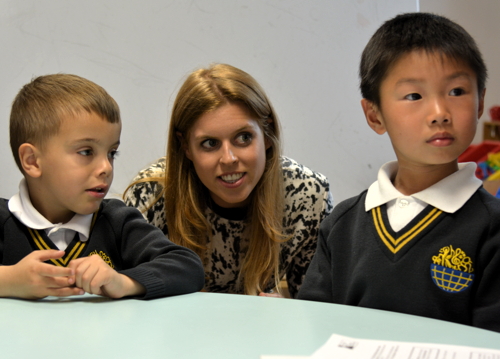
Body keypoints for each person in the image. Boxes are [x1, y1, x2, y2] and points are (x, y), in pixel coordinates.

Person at [298, 12, 500, 332]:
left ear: (479, 103)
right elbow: (314, 328)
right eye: (414, 96)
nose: (439, 113)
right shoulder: (342, 224)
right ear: (374, 115)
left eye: (457, 91)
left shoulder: (492, 228)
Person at [124, 63, 333, 297]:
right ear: (186, 147)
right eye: (210, 144)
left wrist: (288, 310)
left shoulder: (309, 195)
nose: (229, 158)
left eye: (243, 138)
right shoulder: (152, 194)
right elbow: (123, 297)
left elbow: (318, 308)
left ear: (267, 134)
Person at [0, 74, 204, 300]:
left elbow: (187, 267)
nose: (106, 167)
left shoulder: (117, 222)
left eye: (111, 153)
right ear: (32, 161)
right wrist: (8, 280)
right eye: (86, 152)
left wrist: (123, 281)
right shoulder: (4, 221)